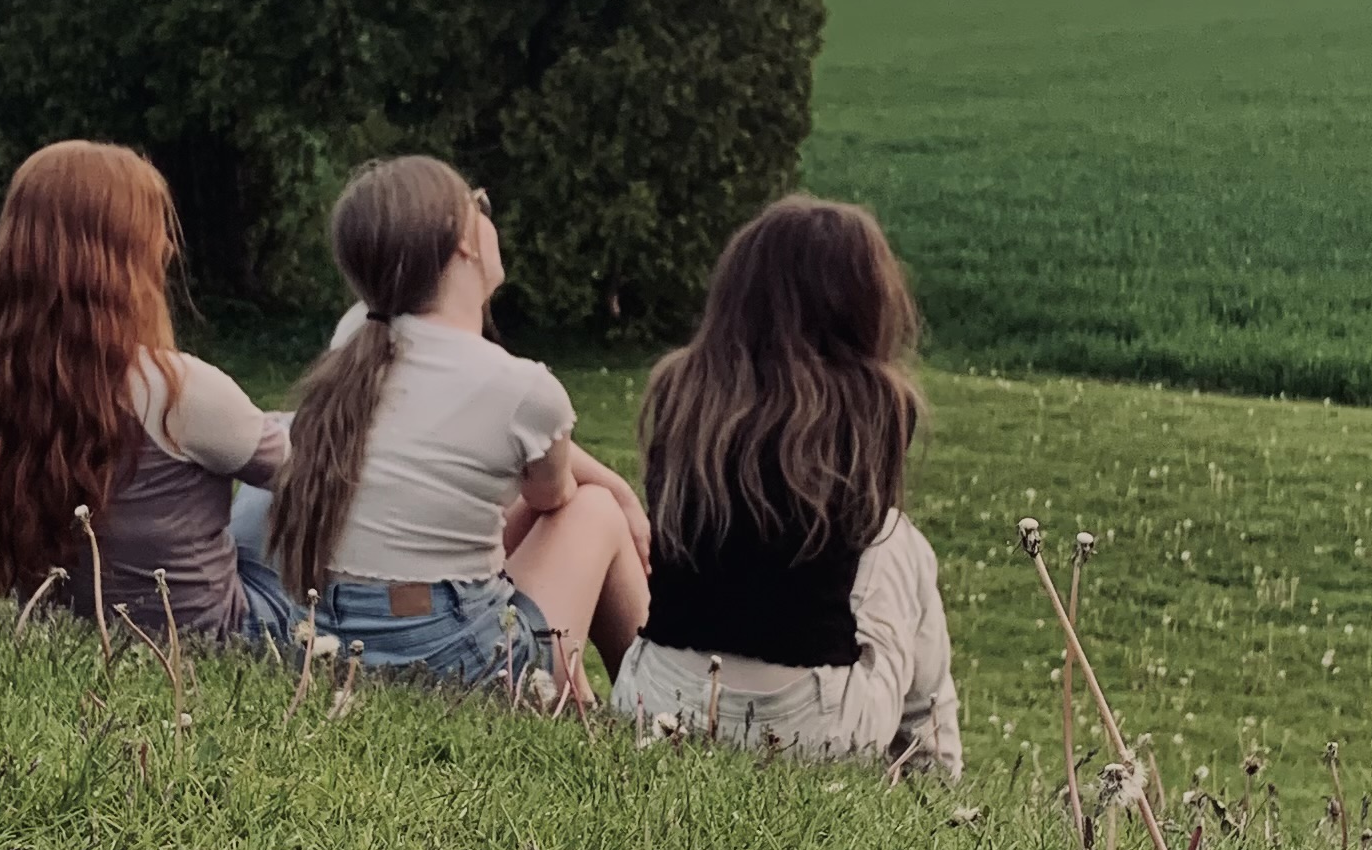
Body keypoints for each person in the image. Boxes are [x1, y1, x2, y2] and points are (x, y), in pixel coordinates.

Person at [261, 156, 650, 694]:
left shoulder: (356, 336)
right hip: (451, 659)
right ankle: (651, 697)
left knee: (554, 507)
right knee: (595, 510)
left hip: (332, 636)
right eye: (481, 205)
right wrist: (619, 495)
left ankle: (588, 697)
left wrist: (618, 484)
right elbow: (551, 496)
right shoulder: (524, 390)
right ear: (464, 240)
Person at [611, 196, 959, 770]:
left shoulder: (677, 388)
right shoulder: (878, 404)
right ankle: (935, 771)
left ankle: (930, 766)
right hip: (809, 726)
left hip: (656, 699)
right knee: (903, 543)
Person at [0, 139, 297, 646]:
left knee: (265, 430)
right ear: (120, 260)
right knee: (296, 443)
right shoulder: (180, 389)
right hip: (211, 635)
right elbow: (311, 479)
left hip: (68, 629)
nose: (167, 248)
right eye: (153, 232)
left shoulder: (10, 386)